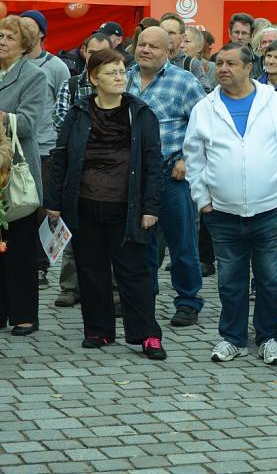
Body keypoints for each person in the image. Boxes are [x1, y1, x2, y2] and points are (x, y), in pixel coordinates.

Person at [183, 43, 277, 364]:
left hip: (269, 208)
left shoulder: (273, 102)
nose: (222, 69)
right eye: (219, 63)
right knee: (230, 280)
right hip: (222, 211)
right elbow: (194, 157)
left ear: (248, 68)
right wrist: (202, 199)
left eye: (230, 63)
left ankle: (269, 336)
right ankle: (232, 338)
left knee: (270, 279)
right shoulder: (205, 107)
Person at [46, 49, 166, 360]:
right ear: (93, 78)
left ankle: (147, 334)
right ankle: (98, 330)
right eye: (111, 72)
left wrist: (151, 207)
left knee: (134, 273)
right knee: (91, 271)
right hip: (84, 205)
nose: (118, 77)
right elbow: (61, 158)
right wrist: (54, 201)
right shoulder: (78, 112)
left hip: (127, 208)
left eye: (121, 71)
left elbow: (153, 164)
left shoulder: (141, 114)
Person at [127, 26, 206, 327]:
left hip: (172, 172)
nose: (145, 50)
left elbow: (204, 127)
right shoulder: (124, 78)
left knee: (181, 242)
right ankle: (144, 297)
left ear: (169, 52)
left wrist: (187, 158)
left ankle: (188, 301)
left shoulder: (184, 82)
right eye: (142, 44)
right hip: (136, 175)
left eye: (154, 47)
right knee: (140, 241)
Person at [52, 32, 112, 308]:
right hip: (77, 169)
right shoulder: (72, 84)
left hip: (110, 172)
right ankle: (69, 286)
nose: (97, 58)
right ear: (84, 52)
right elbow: (61, 122)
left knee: (109, 234)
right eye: (92, 52)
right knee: (73, 228)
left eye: (104, 53)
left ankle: (110, 288)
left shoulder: (118, 84)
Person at [0, 15, 47, 336]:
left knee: (19, 247)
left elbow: (29, 124)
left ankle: (24, 315)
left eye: (8, 37)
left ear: (24, 45)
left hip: (16, 172)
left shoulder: (34, 76)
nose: (1, 41)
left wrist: (2, 116)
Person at [20, 10, 70, 290]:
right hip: (13, 146)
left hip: (46, 147)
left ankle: (40, 266)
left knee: (41, 209)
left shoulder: (56, 67)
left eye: (29, 27)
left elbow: (62, 107)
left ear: (41, 33)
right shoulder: (9, 66)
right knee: (16, 207)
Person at [159, 14, 211, 93]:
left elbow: (205, 92)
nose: (166, 36)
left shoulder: (191, 64)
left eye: (171, 33)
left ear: (183, 37)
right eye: (163, 32)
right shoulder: (151, 59)